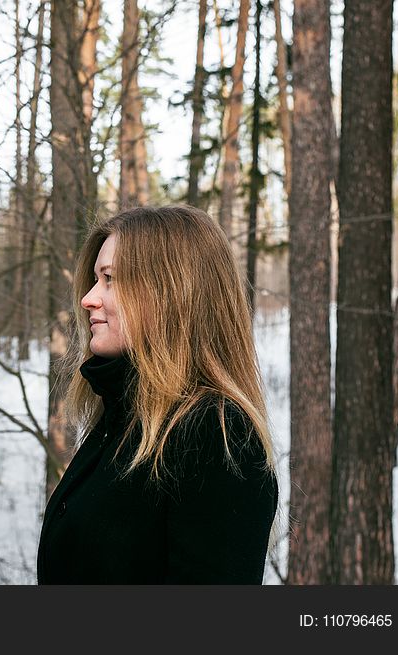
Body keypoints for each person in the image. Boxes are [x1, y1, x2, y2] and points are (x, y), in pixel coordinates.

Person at [37, 205, 278, 584]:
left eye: (110, 279)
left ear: (171, 293)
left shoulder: (214, 434)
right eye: (95, 280)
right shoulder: (123, 417)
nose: (88, 299)